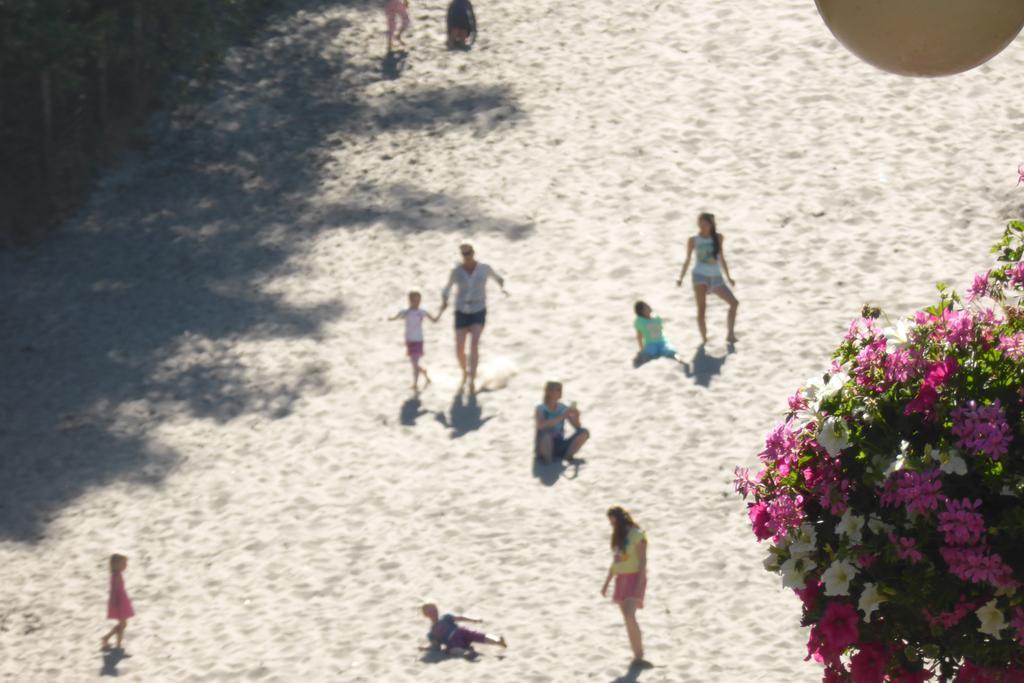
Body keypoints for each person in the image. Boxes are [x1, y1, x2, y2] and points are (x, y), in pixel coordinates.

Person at [439, 243, 508, 393]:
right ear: (461, 255)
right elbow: (447, 288)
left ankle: (472, 379)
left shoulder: (484, 268)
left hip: (478, 309)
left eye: (469, 253)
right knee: (459, 348)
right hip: (461, 310)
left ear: (473, 253)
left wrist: (504, 289)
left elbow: (498, 279)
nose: (467, 256)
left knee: (474, 344)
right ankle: (465, 372)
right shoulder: (456, 271)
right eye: (464, 254)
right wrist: (444, 301)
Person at [676, 212, 739, 344]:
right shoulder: (693, 240)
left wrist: (729, 277)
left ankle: (730, 335)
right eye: (701, 223)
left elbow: (722, 258)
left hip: (716, 277)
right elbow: (687, 260)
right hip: (700, 277)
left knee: (734, 303)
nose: (703, 226)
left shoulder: (718, 238)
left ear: (711, 224)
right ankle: (704, 339)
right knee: (702, 308)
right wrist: (681, 277)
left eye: (706, 223)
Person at [601, 507, 650, 667]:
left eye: (614, 522)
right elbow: (616, 562)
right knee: (627, 617)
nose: (612, 526)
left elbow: (643, 560)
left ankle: (640, 654)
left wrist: (639, 583)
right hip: (621, 579)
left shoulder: (637, 535)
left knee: (630, 614)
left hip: (634, 577)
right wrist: (607, 583)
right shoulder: (618, 538)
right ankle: (637, 655)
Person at [389, 290, 441, 391]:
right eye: (413, 300)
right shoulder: (405, 312)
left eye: (418, 300)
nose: (416, 302)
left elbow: (434, 320)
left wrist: (442, 310)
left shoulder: (422, 312)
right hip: (409, 340)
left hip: (418, 340)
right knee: (414, 362)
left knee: (414, 363)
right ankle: (424, 373)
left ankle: (415, 384)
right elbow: (395, 317)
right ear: (409, 300)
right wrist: (390, 318)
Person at [535, 381, 589, 464]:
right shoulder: (540, 408)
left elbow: (577, 427)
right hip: (544, 445)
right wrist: (562, 416)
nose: (560, 392)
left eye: (560, 389)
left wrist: (577, 417)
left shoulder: (562, 408)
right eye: (557, 390)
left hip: (560, 443)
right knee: (546, 433)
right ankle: (548, 461)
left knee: (584, 432)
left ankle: (567, 456)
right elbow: (540, 426)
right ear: (549, 392)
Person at [420, 603, 507, 654]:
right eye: (430, 611)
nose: (433, 612)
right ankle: (467, 652)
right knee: (453, 650)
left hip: (461, 632)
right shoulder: (431, 633)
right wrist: (425, 648)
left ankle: (498, 640)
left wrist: (473, 620)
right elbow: (436, 646)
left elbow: (460, 618)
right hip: (452, 642)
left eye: (434, 610)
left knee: (478, 635)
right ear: (426, 615)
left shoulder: (445, 617)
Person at [101, 554, 134, 651]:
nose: (125, 565)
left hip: (121, 600)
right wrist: (115, 602)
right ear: (116, 565)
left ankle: (107, 638)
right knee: (122, 624)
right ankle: (117, 644)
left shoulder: (117, 574)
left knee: (122, 624)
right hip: (119, 602)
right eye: (123, 563)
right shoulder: (116, 575)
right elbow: (114, 590)